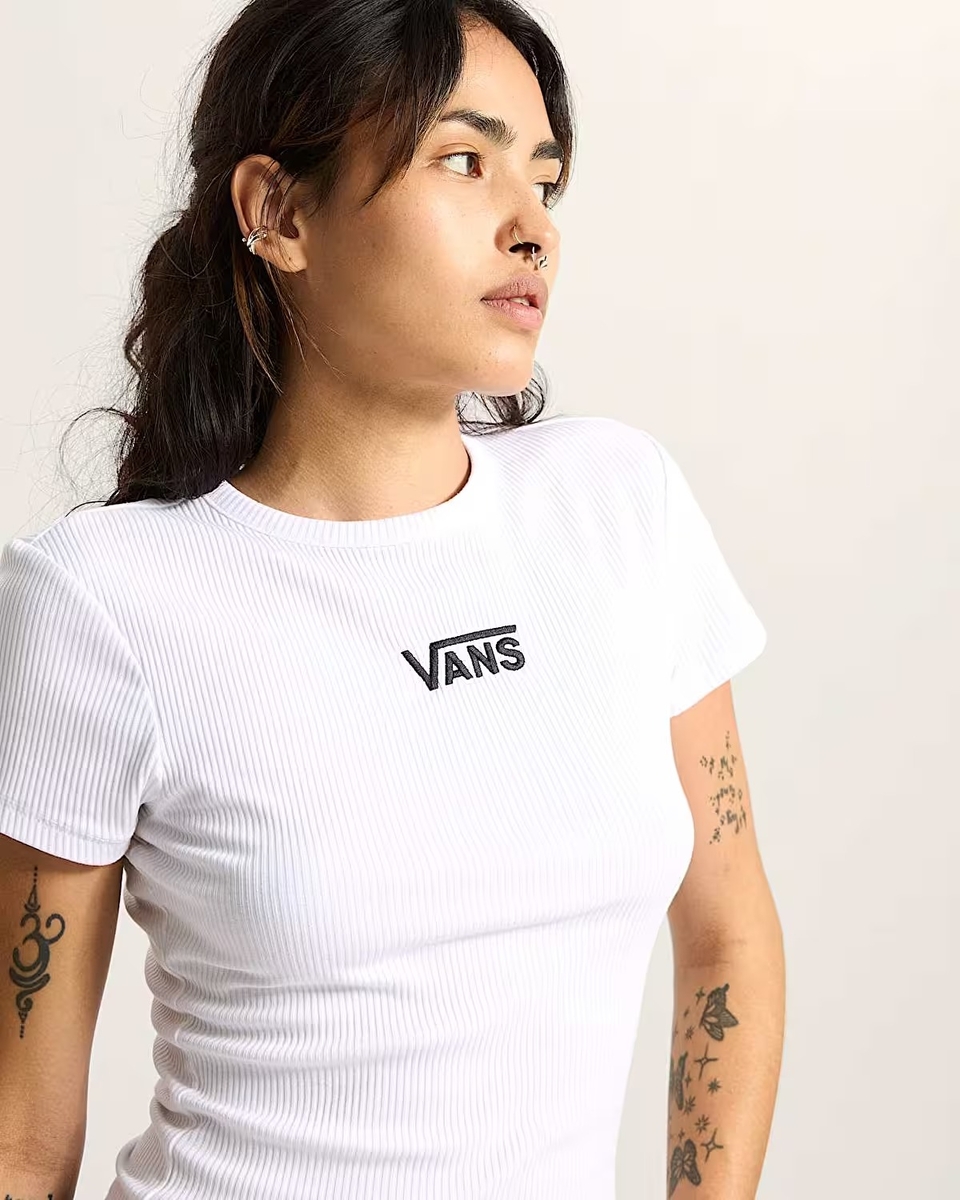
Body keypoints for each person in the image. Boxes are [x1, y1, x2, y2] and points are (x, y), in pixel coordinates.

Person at [0, 1, 784, 1197]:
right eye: (464, 162)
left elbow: (728, 937)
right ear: (279, 211)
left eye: (544, 180)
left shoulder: (620, 509)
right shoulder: (102, 602)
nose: (532, 227)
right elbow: (20, 1140)